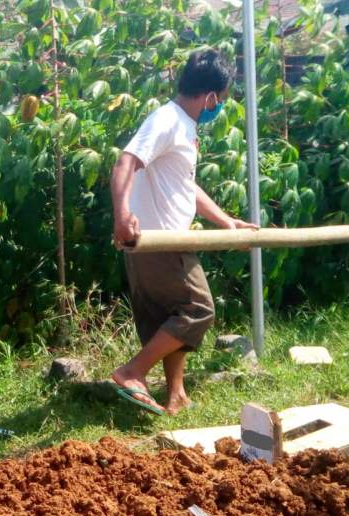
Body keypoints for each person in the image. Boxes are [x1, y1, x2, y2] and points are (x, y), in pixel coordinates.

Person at [110, 48, 257, 416]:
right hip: (162, 242)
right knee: (198, 309)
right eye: (221, 100)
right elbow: (126, 161)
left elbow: (185, 186)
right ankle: (133, 372)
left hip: (153, 243)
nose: (219, 106)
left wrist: (226, 221)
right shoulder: (169, 120)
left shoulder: (181, 126)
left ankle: (176, 394)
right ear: (211, 97)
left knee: (169, 316)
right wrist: (122, 212)